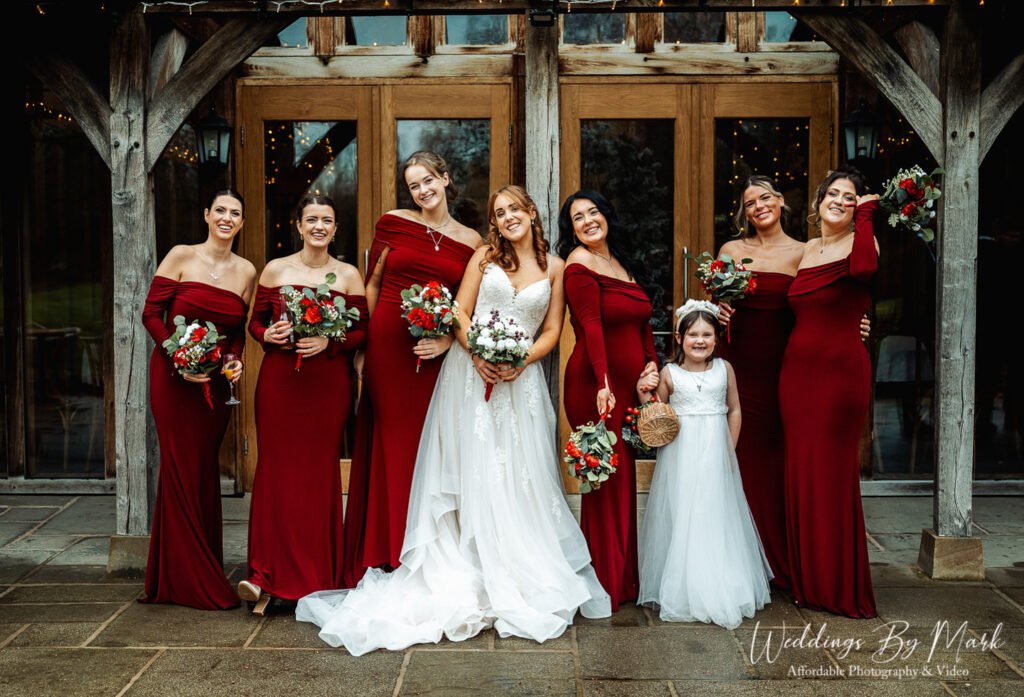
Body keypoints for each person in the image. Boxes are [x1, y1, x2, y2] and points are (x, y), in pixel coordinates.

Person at [297, 186, 610, 654]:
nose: (507, 218)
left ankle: (513, 564)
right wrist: (478, 352)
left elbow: (550, 330)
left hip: (520, 385)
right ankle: (464, 559)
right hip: (470, 377)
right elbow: (459, 311)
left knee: (518, 477)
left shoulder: (556, 267)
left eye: (513, 210)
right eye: (498, 213)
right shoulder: (484, 256)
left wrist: (521, 360)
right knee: (472, 468)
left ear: (531, 213)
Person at [343, 152, 483, 587]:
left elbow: (465, 303)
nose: (422, 191)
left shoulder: (472, 240)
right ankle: (384, 549)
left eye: (428, 181)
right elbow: (373, 284)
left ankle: (422, 544)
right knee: (390, 444)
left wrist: (445, 340)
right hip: (387, 346)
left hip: (431, 353)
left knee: (427, 446)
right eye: (414, 186)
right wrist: (363, 345)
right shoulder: (393, 222)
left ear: (445, 178)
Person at [238, 194, 368, 615]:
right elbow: (255, 321)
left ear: (335, 229)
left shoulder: (348, 275)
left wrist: (333, 340)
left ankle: (318, 574)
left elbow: (364, 331)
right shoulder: (276, 269)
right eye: (310, 219)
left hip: (327, 385)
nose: (318, 226)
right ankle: (264, 574)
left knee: (317, 475)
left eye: (326, 220)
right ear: (298, 224)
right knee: (276, 472)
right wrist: (265, 336)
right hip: (280, 384)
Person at [140, 189, 256, 610]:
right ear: (207, 215)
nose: (227, 218)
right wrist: (177, 353)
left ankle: (184, 571)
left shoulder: (246, 271)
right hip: (173, 378)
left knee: (202, 469)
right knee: (179, 469)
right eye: (220, 211)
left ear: (241, 222)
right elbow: (151, 314)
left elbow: (238, 331)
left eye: (235, 213)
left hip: (214, 385)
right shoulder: (182, 256)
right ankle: (191, 579)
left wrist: (234, 361)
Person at [778, 164, 880, 618]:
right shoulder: (806, 251)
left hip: (840, 375)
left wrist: (867, 216)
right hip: (796, 375)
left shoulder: (864, 242)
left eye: (850, 196)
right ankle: (810, 582)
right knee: (802, 472)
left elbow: (864, 271)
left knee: (833, 476)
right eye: (833, 194)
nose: (840, 201)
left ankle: (839, 585)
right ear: (818, 204)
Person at [637, 300, 772, 629]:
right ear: (679, 337)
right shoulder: (671, 374)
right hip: (681, 455)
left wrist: (729, 448)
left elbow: (735, 409)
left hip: (715, 451)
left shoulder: (724, 370)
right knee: (685, 511)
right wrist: (644, 394)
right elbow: (657, 411)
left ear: (716, 338)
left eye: (707, 334)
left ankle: (721, 581)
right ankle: (684, 586)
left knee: (714, 511)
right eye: (693, 334)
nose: (700, 340)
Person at [557, 190, 659, 611]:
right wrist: (603, 381)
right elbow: (592, 326)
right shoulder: (578, 264)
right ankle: (604, 584)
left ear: (606, 216)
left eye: (593, 212)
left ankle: (625, 578)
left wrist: (651, 366)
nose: (587, 221)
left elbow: (643, 324)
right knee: (606, 483)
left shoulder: (621, 263)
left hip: (628, 385)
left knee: (624, 480)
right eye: (577, 218)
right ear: (572, 230)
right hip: (595, 384)